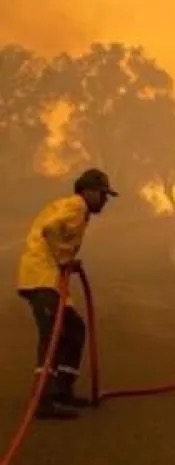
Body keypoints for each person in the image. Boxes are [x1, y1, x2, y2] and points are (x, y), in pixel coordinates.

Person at [16, 168, 118, 420]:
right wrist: (64, 260)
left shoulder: (71, 207)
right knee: (52, 336)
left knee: (74, 329)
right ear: (88, 192)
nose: (105, 200)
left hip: (50, 279)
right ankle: (43, 399)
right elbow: (51, 229)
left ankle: (62, 389)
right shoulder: (76, 206)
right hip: (42, 278)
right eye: (102, 194)